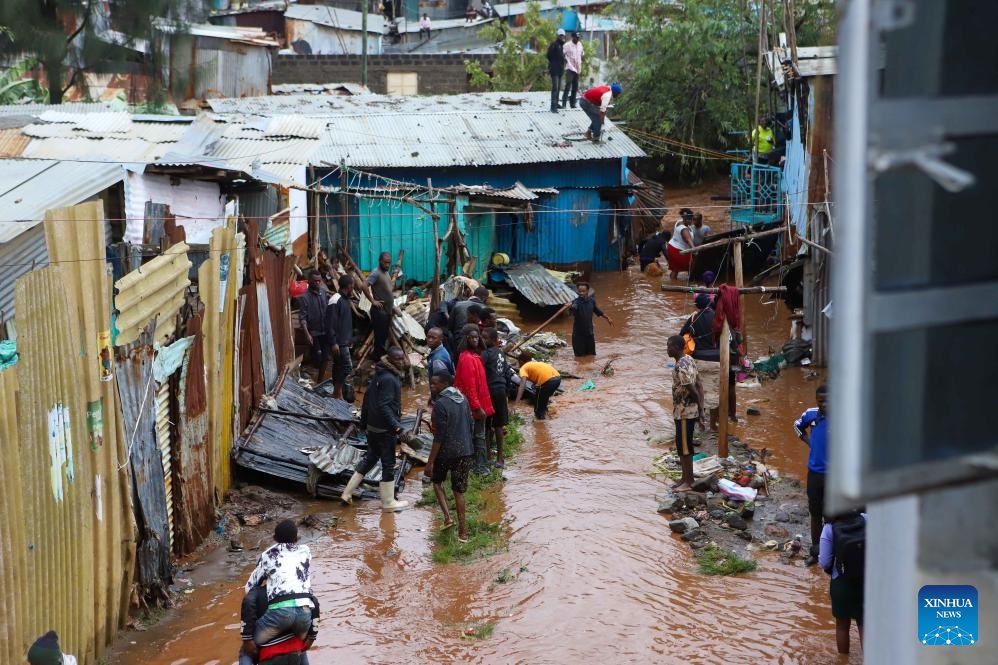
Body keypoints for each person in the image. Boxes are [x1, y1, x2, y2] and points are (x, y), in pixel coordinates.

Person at [340, 346, 409, 511]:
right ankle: (388, 502)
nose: (401, 362)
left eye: (402, 358)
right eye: (397, 359)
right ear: (390, 359)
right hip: (385, 430)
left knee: (370, 458)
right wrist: (397, 427)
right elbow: (384, 406)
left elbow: (366, 400)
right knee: (388, 463)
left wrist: (364, 424)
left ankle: (347, 492)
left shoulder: (378, 374)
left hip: (373, 428)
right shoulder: (391, 379)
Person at [244, 521, 315, 654]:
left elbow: (250, 587)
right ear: (297, 538)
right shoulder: (306, 551)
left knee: (247, 649)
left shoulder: (268, 555)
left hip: (280, 615)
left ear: (274, 538)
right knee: (300, 646)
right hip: (304, 616)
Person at [424, 371, 475, 542]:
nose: (432, 386)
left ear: (445, 384)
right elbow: (471, 424)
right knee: (459, 492)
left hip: (447, 452)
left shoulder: (440, 404)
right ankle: (463, 533)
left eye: (435, 383)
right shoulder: (463, 399)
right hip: (465, 451)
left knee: (437, 482)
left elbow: (439, 437)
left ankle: (447, 518)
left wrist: (430, 462)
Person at [819, 510, 866, 654]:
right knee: (864, 624)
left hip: (841, 583)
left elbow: (825, 563)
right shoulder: (866, 519)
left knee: (842, 626)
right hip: (866, 582)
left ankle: (843, 660)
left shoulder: (829, 528)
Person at [240, 582, 320, 665]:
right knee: (302, 644)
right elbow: (314, 603)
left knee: (245, 651)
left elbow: (248, 611)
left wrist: (247, 638)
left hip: (270, 654)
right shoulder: (295, 589)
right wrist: (312, 637)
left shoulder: (256, 592)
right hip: (295, 652)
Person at [794, 384, 828, 566]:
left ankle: (832, 554)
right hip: (815, 473)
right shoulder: (811, 414)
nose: (824, 404)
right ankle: (816, 552)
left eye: (828, 400)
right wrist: (809, 442)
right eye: (820, 401)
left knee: (832, 515)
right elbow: (797, 425)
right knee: (815, 514)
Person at [454, 325, 494, 474]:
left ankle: (479, 464)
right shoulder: (467, 358)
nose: (475, 340)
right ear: (466, 339)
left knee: (478, 435)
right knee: (478, 436)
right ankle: (479, 467)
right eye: (472, 337)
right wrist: (477, 407)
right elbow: (470, 386)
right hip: (472, 405)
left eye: (477, 337)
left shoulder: (474, 357)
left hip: (476, 403)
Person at [667, 335, 704, 492]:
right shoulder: (689, 358)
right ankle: (684, 478)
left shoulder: (680, 366)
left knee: (685, 447)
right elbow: (700, 384)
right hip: (686, 411)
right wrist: (700, 409)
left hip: (684, 412)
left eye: (669, 346)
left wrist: (699, 410)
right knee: (682, 445)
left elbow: (693, 390)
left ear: (676, 347)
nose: (667, 349)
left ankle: (689, 482)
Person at [481, 327, 512, 468]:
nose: (482, 340)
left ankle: (488, 457)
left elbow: (480, 373)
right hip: (500, 390)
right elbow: (507, 373)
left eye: (485, 338)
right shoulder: (501, 353)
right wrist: (506, 392)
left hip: (490, 391)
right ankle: (500, 459)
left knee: (487, 425)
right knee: (498, 425)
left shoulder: (485, 354)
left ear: (493, 340)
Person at [297, 270, 331, 383]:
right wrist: (307, 334)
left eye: (319, 281)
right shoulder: (305, 297)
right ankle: (311, 375)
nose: (317, 283)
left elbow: (328, 311)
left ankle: (320, 381)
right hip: (314, 333)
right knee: (318, 358)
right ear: (309, 281)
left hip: (325, 331)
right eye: (315, 281)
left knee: (326, 358)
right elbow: (302, 318)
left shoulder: (323, 292)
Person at [326, 274, 355, 401]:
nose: (353, 288)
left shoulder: (344, 300)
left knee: (338, 366)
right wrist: (333, 342)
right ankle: (336, 393)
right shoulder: (335, 300)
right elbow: (329, 323)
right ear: (349, 286)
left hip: (344, 341)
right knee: (346, 367)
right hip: (339, 342)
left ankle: (338, 394)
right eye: (353, 285)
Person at [569, 281, 613, 357]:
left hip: (589, 334)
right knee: (580, 358)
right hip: (578, 336)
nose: (581, 293)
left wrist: (608, 318)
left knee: (591, 356)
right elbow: (574, 309)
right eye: (579, 291)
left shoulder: (591, 301)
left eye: (583, 291)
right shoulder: (575, 302)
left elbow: (598, 311)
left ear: (588, 291)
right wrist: (571, 306)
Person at [366, 252, 395, 360]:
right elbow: (364, 286)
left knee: (383, 337)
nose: (387, 265)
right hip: (379, 311)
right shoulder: (376, 273)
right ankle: (378, 361)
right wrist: (373, 301)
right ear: (380, 261)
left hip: (386, 311)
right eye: (385, 262)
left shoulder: (386, 272)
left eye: (389, 263)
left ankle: (377, 358)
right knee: (379, 337)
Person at [515, 353, 561, 420]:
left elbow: (522, 386)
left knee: (538, 408)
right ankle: (548, 414)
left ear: (521, 361)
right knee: (543, 399)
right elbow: (537, 375)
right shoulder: (534, 363)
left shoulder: (523, 368)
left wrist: (516, 404)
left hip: (547, 382)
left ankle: (540, 424)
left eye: (518, 362)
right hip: (558, 378)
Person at [449, 286, 489, 352]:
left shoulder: (458, 304)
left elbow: (450, 326)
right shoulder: (485, 309)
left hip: (457, 341)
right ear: (484, 298)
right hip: (476, 345)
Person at [666, 208, 695, 280]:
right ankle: (691, 285)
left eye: (691, 219)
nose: (691, 221)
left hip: (672, 247)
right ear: (685, 219)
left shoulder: (679, 222)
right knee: (691, 267)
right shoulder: (684, 229)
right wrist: (695, 250)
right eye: (690, 219)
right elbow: (688, 240)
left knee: (675, 269)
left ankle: (671, 283)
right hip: (679, 251)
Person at [546, 29, 567, 113]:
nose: (562, 37)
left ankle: (557, 103)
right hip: (554, 69)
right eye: (560, 35)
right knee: (555, 87)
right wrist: (554, 63)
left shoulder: (563, 46)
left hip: (560, 69)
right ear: (558, 36)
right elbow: (548, 55)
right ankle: (553, 106)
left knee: (558, 88)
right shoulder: (554, 45)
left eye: (563, 35)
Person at [561, 32, 583, 109]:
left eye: (578, 38)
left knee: (575, 86)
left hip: (577, 68)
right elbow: (562, 54)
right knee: (568, 84)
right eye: (576, 37)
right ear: (572, 37)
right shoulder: (567, 45)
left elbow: (581, 54)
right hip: (570, 67)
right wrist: (566, 61)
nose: (577, 39)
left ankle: (572, 104)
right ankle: (564, 103)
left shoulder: (580, 44)